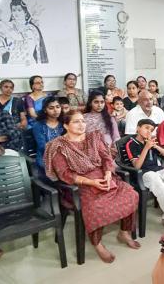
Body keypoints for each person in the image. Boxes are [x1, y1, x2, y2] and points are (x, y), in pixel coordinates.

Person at [44, 111, 140, 263]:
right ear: (66, 125)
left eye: (83, 121)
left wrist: (108, 173)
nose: (81, 124)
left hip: (105, 178)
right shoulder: (58, 146)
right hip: (80, 185)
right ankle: (97, 243)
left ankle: (124, 232)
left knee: (130, 194)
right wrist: (92, 182)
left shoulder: (94, 137)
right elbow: (65, 174)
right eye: (76, 122)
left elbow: (106, 157)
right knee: (96, 207)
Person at [126, 119, 164, 232]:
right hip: (144, 173)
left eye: (151, 130)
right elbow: (137, 166)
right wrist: (146, 148)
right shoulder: (131, 144)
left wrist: (155, 147)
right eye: (146, 128)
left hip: (158, 170)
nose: (149, 131)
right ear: (138, 128)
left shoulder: (150, 142)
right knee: (162, 188)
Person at [0, 0, 48, 65]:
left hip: (27, 63)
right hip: (12, 63)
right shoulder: (7, 25)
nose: (16, 13)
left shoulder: (31, 28)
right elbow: (0, 36)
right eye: (14, 10)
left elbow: (20, 39)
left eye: (19, 10)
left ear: (25, 12)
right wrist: (1, 47)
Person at [32, 97, 63, 175]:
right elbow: (43, 146)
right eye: (51, 108)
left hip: (65, 156)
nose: (56, 110)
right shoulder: (38, 125)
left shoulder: (64, 123)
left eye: (58, 107)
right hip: (45, 158)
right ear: (45, 110)